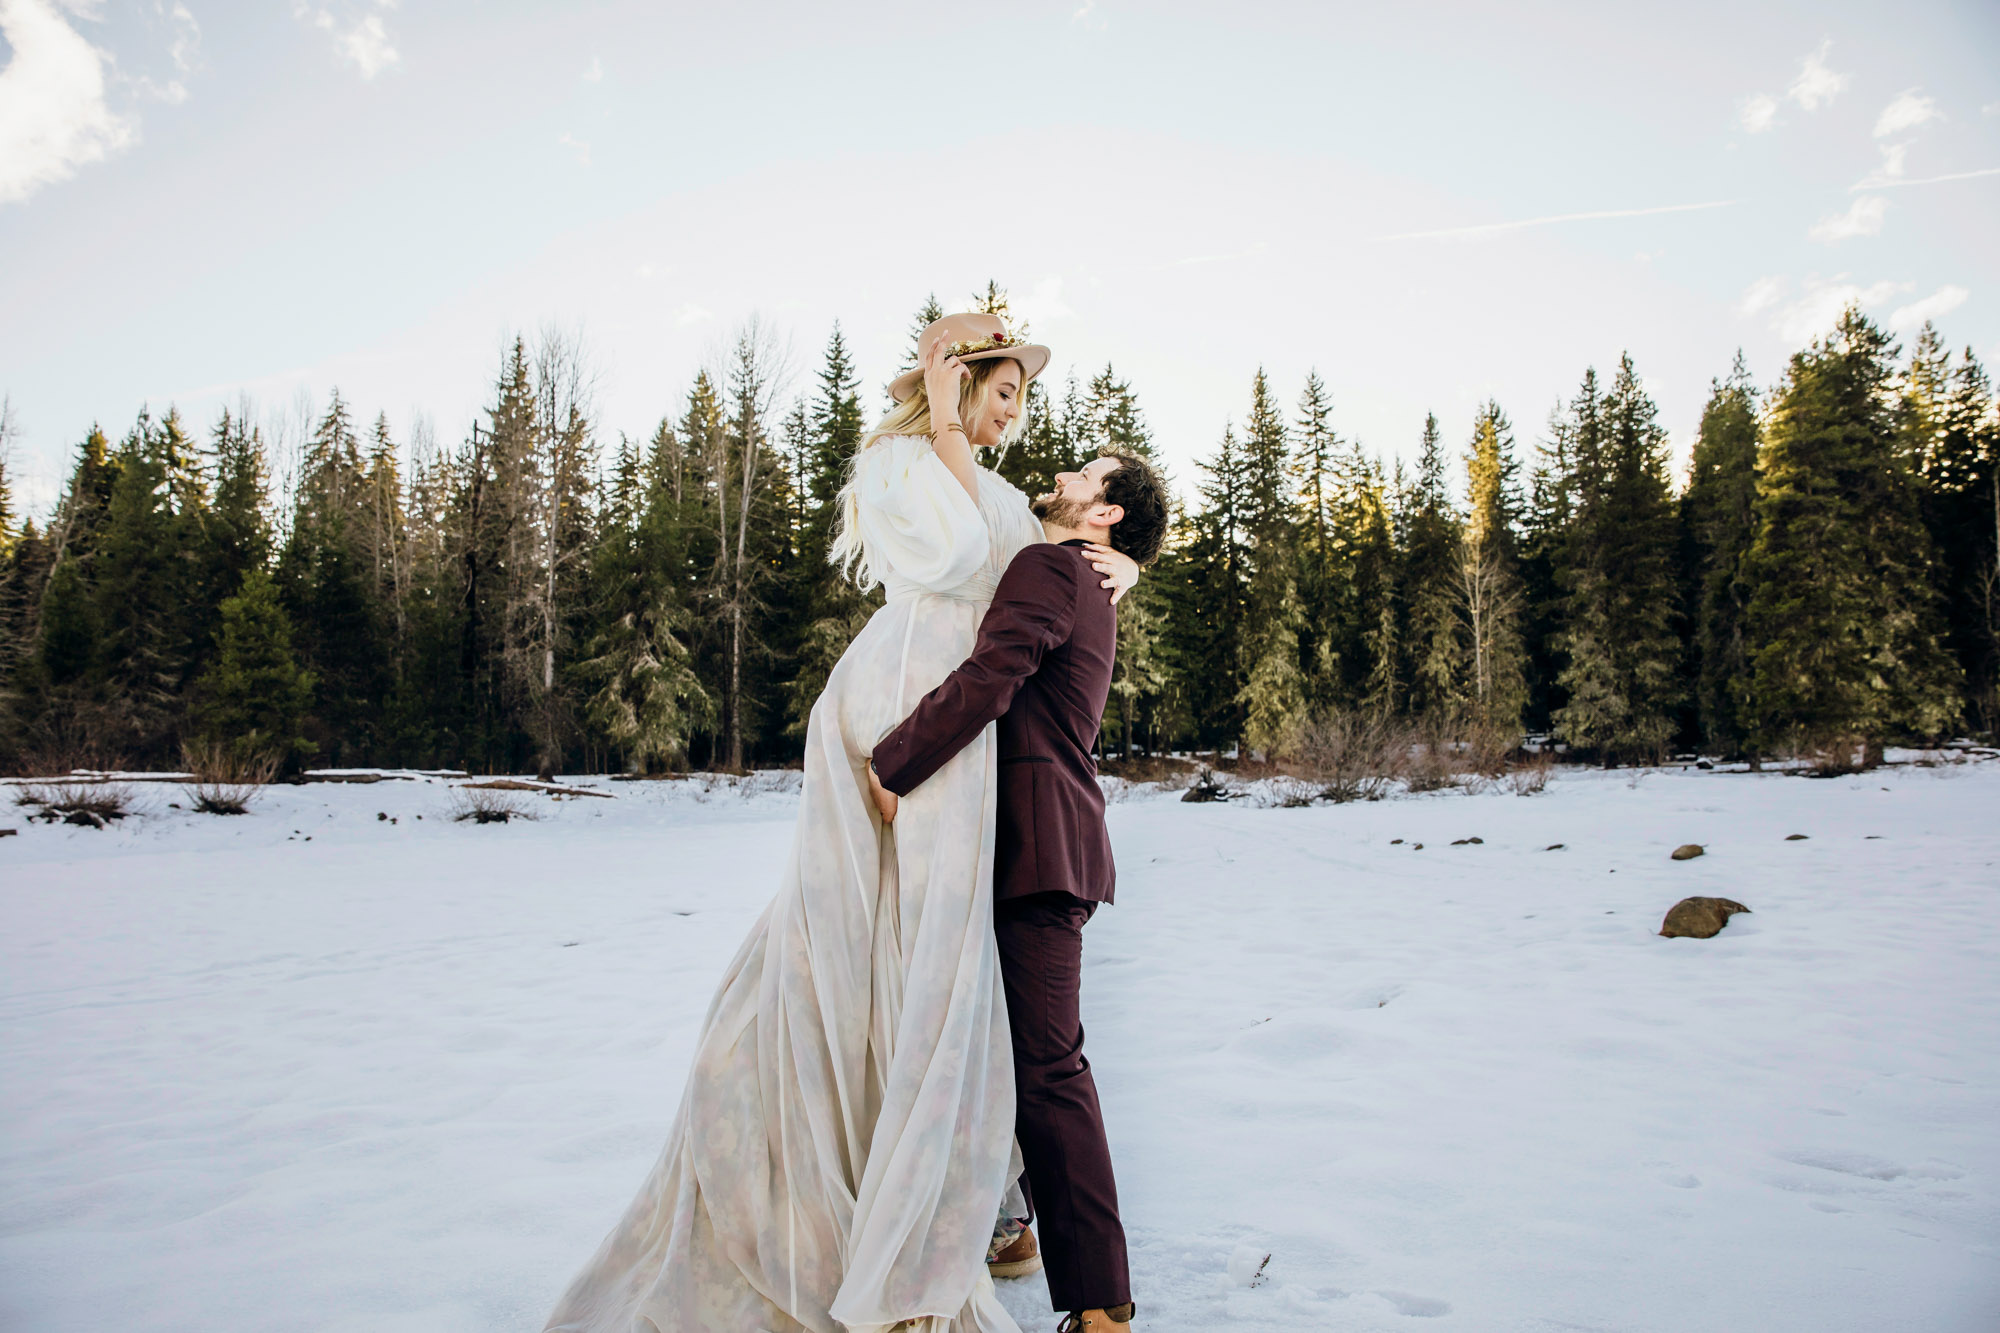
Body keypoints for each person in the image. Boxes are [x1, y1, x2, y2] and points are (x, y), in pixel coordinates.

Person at [542, 313, 1140, 1333]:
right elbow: (972, 564)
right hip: (934, 731)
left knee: (982, 1014)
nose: (1016, 414)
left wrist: (1122, 561)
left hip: (972, 766)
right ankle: (996, 1229)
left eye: (1023, 404)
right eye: (1003, 389)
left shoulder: (1035, 533)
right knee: (932, 985)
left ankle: (1043, 1262)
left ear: (1105, 510)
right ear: (953, 380)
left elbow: (1017, 620)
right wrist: (948, 418)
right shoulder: (932, 478)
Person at [867, 449, 1170, 1333]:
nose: (1069, 474)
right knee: (1008, 1057)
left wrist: (896, 765)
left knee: (1049, 1067)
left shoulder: (1051, 565)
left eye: (1088, 473)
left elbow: (993, 674)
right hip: (1037, 846)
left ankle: (1105, 1305)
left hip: (1038, 849)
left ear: (1106, 514)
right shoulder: (1085, 576)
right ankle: (1009, 1230)